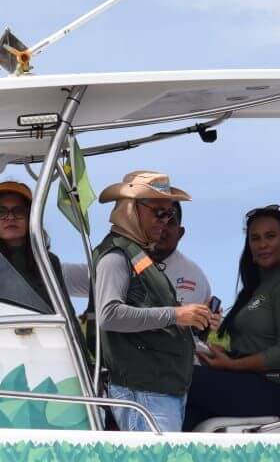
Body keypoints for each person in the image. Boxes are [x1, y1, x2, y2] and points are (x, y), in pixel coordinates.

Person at [91, 171, 215, 432]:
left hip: (157, 389)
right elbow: (109, 315)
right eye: (159, 213)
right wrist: (176, 315)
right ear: (131, 210)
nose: (165, 221)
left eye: (169, 214)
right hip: (144, 390)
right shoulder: (116, 256)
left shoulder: (135, 254)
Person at [184, 206, 280, 430]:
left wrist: (233, 365)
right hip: (246, 381)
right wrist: (220, 353)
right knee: (187, 410)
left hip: (275, 388)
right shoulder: (253, 290)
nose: (262, 244)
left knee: (179, 377)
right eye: (255, 238)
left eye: (270, 236)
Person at [0, 180, 87, 309]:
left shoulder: (49, 262)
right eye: (1, 212)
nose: (10, 217)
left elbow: (66, 313)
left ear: (31, 218)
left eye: (19, 211)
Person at [148, 202, 211, 309]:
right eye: (158, 219)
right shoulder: (123, 260)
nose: (162, 228)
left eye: (170, 222)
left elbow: (178, 323)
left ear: (180, 233)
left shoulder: (192, 275)